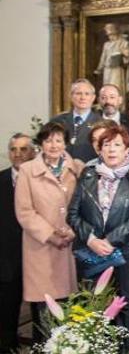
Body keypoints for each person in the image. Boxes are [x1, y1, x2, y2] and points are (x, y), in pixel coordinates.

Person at [67, 125, 129, 332]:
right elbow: (73, 214)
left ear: (127, 149)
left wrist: (111, 241)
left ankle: (125, 347)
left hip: (126, 250)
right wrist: (92, 240)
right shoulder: (87, 174)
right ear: (99, 150)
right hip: (91, 250)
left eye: (117, 144)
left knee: (125, 303)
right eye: (107, 145)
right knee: (93, 302)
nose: (112, 149)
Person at [14, 122, 83, 343]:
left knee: (69, 309)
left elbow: (87, 206)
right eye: (48, 140)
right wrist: (51, 235)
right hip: (40, 247)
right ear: (41, 143)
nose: (53, 145)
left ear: (65, 143)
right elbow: (24, 212)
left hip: (71, 245)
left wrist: (73, 230)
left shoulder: (77, 168)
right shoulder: (27, 170)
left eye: (58, 140)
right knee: (44, 310)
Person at [0, 134, 35, 353]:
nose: (18, 154)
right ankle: (7, 347)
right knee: (7, 309)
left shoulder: (41, 178)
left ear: (33, 152)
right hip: (8, 258)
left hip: (38, 255)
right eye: (13, 149)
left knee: (42, 308)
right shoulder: (1, 179)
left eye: (23, 149)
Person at [50, 78, 102, 162]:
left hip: (90, 171)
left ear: (93, 98)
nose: (82, 97)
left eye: (87, 94)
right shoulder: (57, 121)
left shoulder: (102, 123)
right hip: (61, 171)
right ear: (71, 96)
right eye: (78, 93)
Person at [94, 23, 129, 97]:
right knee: (106, 88)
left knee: (116, 88)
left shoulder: (123, 42)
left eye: (112, 35)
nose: (110, 37)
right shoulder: (106, 44)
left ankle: (119, 106)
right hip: (107, 70)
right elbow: (103, 57)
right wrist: (99, 69)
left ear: (116, 33)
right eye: (109, 35)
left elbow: (128, 55)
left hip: (117, 70)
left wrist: (123, 53)